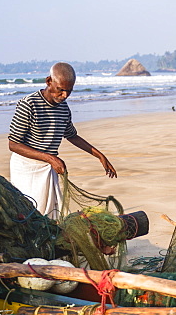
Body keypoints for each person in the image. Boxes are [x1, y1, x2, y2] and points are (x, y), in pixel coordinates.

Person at [8, 63, 117, 218]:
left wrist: (100, 156)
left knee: (52, 215)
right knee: (31, 215)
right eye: (61, 89)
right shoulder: (29, 104)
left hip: (49, 166)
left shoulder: (63, 108)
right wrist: (51, 158)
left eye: (69, 91)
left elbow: (71, 135)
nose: (65, 95)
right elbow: (13, 144)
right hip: (27, 168)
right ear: (48, 81)